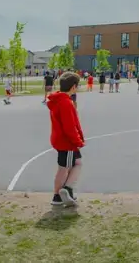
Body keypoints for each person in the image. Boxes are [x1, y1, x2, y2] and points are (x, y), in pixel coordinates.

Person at [47, 72, 84, 207]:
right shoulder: (65, 103)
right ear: (73, 87)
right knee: (65, 168)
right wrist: (78, 141)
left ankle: (64, 191)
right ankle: (59, 194)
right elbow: (69, 127)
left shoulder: (60, 100)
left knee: (76, 163)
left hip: (60, 139)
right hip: (66, 142)